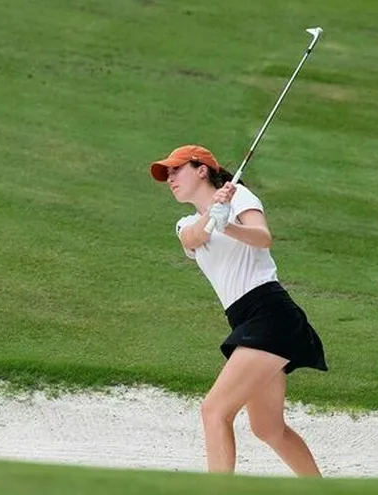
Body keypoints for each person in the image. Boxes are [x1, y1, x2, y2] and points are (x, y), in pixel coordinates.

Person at [149, 144, 328, 476]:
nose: (170, 178)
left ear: (201, 169)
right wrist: (213, 215)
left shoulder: (241, 198)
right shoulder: (186, 222)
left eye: (176, 170)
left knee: (214, 411)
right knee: (268, 428)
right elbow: (192, 238)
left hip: (270, 313)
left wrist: (227, 223)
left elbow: (263, 238)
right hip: (247, 319)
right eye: (167, 174)